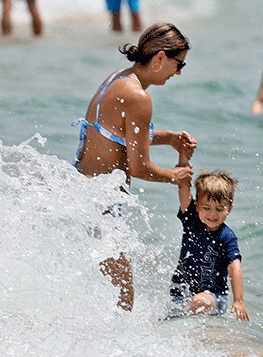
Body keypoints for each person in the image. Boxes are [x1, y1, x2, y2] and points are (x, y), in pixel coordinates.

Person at [73, 24, 198, 311]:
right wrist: (176, 176)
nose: (178, 72)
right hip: (100, 203)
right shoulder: (139, 97)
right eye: (179, 64)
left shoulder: (118, 80)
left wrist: (170, 139)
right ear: (160, 59)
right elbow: (140, 167)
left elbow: (120, 136)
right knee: (123, 298)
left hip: (81, 191)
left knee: (102, 294)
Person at [168, 169, 249, 321]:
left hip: (215, 299)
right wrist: (184, 155)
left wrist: (238, 300)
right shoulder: (191, 221)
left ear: (229, 208)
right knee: (164, 323)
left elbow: (235, 267)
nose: (212, 214)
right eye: (206, 208)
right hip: (181, 295)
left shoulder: (227, 237)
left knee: (199, 301)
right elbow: (183, 186)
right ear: (197, 206)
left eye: (219, 209)